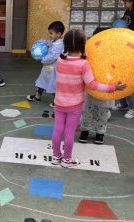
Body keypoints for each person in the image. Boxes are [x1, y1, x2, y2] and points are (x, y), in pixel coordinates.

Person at [51, 29, 126, 168]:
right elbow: (92, 85)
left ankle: (56, 156)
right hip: (74, 105)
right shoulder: (83, 64)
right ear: (82, 45)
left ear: (65, 44)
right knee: (69, 132)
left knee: (57, 129)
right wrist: (113, 87)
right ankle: (67, 159)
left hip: (59, 103)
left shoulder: (60, 60)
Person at [78, 27, 113, 145]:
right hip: (90, 87)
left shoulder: (113, 52)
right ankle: (85, 131)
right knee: (87, 110)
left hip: (105, 88)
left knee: (102, 112)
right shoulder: (89, 51)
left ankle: (100, 133)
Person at [112, 0, 134, 118]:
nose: (125, 5)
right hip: (122, 62)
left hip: (130, 63)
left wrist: (126, 31)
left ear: (132, 2)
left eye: (126, 2)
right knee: (120, 82)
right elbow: (122, 23)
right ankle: (123, 104)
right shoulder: (127, 12)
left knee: (129, 86)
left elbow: (133, 27)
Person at [27, 21, 65, 107]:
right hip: (48, 68)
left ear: (58, 34)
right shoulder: (54, 41)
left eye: (51, 33)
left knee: (53, 85)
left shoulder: (59, 45)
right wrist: (40, 42)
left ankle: (57, 101)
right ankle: (37, 96)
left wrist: (42, 60)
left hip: (53, 69)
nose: (49, 35)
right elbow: (48, 42)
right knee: (41, 81)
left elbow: (52, 57)